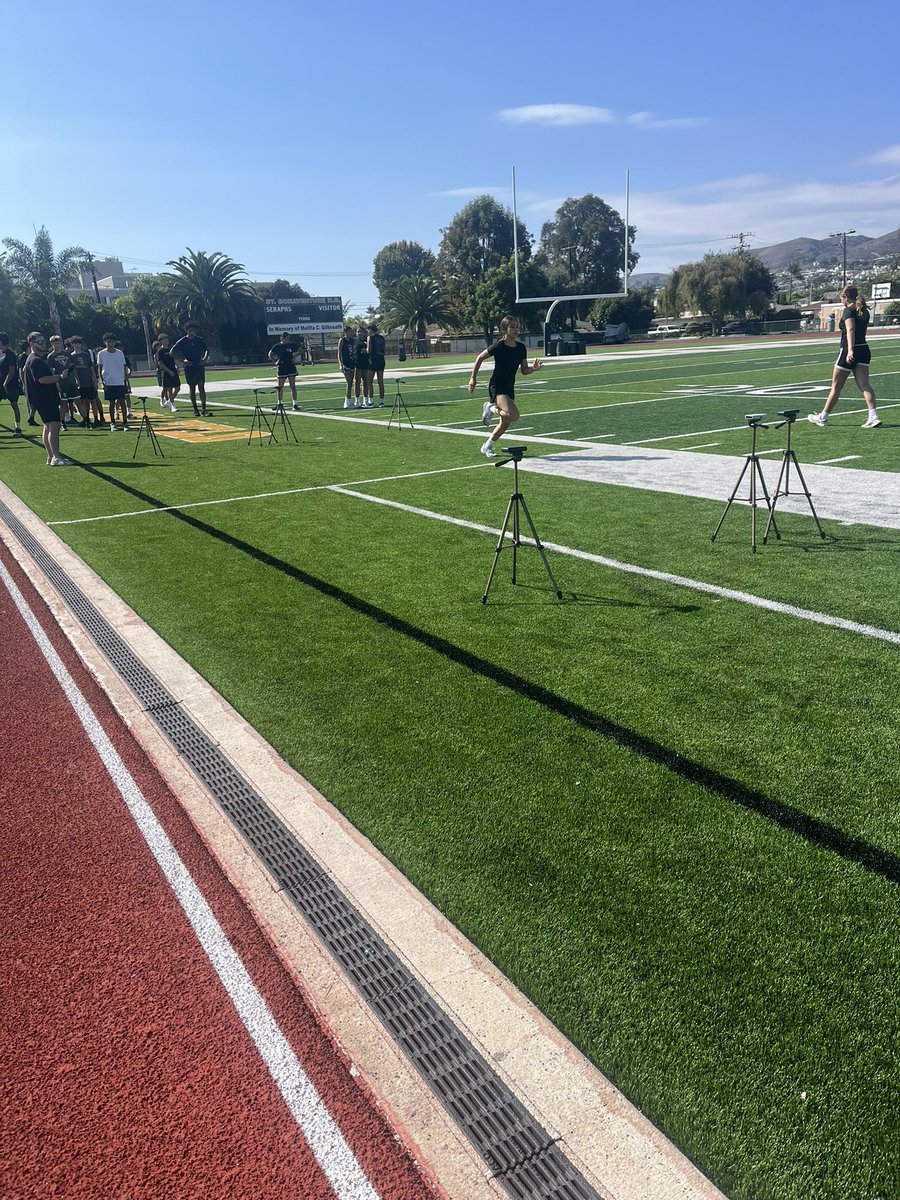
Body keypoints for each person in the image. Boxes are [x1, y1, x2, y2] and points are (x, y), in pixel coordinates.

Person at [467, 316, 542, 457]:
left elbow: (524, 370)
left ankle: (487, 447)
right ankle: (490, 408)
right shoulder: (499, 346)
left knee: (505, 423)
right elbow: (480, 357)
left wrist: (533, 368)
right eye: (512, 327)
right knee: (514, 415)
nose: (515, 329)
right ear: (505, 329)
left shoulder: (521, 348)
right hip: (497, 386)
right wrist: (473, 378)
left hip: (509, 387)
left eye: (517, 326)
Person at [807, 285, 880, 428]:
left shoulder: (849, 310)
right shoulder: (863, 310)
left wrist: (850, 350)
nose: (841, 301)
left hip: (849, 350)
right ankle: (873, 416)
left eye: (841, 298)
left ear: (845, 297)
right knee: (865, 385)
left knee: (836, 387)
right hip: (864, 349)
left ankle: (823, 418)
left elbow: (850, 329)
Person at [22, 331, 72, 466]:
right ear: (32, 344)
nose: (43, 344)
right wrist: (60, 377)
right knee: (54, 427)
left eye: (43, 341)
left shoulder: (35, 359)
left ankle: (51, 457)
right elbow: (42, 379)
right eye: (39, 342)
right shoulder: (35, 360)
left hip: (42, 398)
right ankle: (56, 457)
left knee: (48, 427)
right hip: (45, 398)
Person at [171, 321, 212, 416]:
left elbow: (207, 349)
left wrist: (205, 359)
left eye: (193, 330)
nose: (192, 332)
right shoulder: (182, 341)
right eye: (190, 331)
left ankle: (204, 409)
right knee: (192, 388)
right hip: (189, 367)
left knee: (201, 387)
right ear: (187, 331)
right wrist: (182, 361)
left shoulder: (199, 340)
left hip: (199, 366)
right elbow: (172, 352)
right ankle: (195, 410)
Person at [97, 332, 131, 430]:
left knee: (122, 402)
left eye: (112, 341)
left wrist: (126, 381)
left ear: (115, 342)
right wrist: (102, 382)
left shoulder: (120, 353)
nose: (110, 344)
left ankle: (125, 423)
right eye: (108, 342)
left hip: (120, 381)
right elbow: (99, 369)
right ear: (105, 342)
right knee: (111, 403)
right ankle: (113, 423)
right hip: (108, 382)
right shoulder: (101, 354)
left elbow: (124, 368)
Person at [47, 335, 79, 426]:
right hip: (61, 382)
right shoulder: (51, 356)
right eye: (54, 343)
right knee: (63, 403)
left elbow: (73, 368)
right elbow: (51, 372)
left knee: (78, 401)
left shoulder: (67, 354)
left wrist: (77, 379)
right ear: (52, 344)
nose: (56, 345)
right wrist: (56, 383)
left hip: (71, 381)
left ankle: (86, 420)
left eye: (58, 343)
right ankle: (62, 422)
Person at [70, 336, 102, 425]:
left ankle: (96, 418)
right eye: (75, 344)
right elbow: (72, 370)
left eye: (79, 343)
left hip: (88, 381)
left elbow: (91, 368)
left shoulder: (86, 355)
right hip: (80, 382)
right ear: (72, 344)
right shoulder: (71, 356)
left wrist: (94, 380)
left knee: (93, 400)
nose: (77, 345)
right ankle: (86, 419)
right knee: (82, 401)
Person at [268, 332, 300, 410]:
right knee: (280, 387)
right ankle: (279, 403)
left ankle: (295, 404)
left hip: (291, 367)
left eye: (289, 338)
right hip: (282, 368)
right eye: (287, 338)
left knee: (293, 386)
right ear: (282, 338)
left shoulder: (292, 345)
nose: (288, 340)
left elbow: (301, 350)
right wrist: (274, 361)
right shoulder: (278, 346)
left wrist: (294, 356)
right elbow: (270, 353)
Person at [0, 332, 23, 436]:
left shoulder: (10, 354)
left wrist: (5, 384)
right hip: (1, 384)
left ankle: (18, 428)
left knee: (14, 404)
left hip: (11, 384)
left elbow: (11, 371)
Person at [366, 323, 387, 407]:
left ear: (370, 330)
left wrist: (365, 350)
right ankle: (381, 401)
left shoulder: (370, 337)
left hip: (373, 360)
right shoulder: (382, 338)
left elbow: (369, 350)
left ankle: (370, 401)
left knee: (369, 381)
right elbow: (384, 350)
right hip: (381, 360)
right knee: (380, 382)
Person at [337, 325, 357, 408]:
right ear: (345, 332)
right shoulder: (342, 340)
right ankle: (347, 402)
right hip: (346, 363)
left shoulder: (353, 340)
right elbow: (339, 353)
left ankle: (350, 401)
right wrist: (340, 364)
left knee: (352, 382)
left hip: (352, 363)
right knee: (349, 383)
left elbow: (355, 351)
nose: (351, 333)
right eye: (350, 331)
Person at [354, 325, 372, 407]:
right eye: (358, 332)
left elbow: (370, 351)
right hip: (357, 364)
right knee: (357, 382)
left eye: (361, 331)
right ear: (356, 333)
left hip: (365, 363)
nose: (359, 333)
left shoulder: (366, 340)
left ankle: (365, 400)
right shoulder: (354, 341)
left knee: (366, 382)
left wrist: (366, 351)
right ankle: (357, 401)